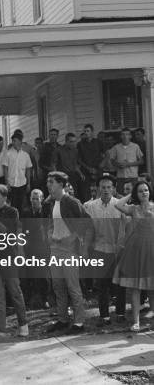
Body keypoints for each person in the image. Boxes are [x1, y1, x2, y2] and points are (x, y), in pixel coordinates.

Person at [46, 172, 93, 334]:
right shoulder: (53, 202)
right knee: (58, 285)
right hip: (55, 249)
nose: (48, 185)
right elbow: (52, 223)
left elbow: (88, 222)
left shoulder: (71, 201)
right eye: (48, 182)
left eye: (51, 182)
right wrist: (51, 235)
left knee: (73, 286)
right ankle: (62, 319)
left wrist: (72, 238)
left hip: (69, 251)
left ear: (61, 184)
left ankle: (79, 322)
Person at [0, 185, 28, 337]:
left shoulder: (12, 211)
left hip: (9, 257)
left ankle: (23, 324)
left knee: (15, 292)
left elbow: (9, 233)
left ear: (4, 197)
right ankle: (1, 327)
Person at [84, 174, 126, 326]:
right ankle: (104, 316)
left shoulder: (121, 205)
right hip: (100, 250)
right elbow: (88, 231)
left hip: (118, 251)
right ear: (98, 189)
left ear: (114, 189)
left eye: (109, 187)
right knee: (102, 286)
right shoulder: (90, 207)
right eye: (103, 187)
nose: (106, 190)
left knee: (120, 285)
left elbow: (126, 229)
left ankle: (121, 313)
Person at [113, 180, 154, 331]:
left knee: (152, 286)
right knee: (135, 287)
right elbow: (118, 205)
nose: (144, 193)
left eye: (146, 190)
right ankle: (136, 321)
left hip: (152, 248)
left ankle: (152, 313)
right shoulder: (133, 208)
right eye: (141, 191)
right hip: (136, 249)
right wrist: (131, 193)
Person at [2, 131, 32, 211]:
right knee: (12, 205)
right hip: (11, 184)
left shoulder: (25, 155)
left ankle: (20, 222)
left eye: (15, 140)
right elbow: (5, 169)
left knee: (21, 205)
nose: (13, 142)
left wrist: (28, 184)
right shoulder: (8, 154)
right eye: (13, 141)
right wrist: (7, 183)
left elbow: (28, 170)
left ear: (20, 141)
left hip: (22, 184)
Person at [110, 127, 143, 195]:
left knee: (134, 195)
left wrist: (128, 164)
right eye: (123, 134)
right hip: (120, 176)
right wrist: (117, 164)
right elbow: (112, 160)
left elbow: (141, 161)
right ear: (120, 136)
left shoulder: (135, 146)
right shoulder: (116, 147)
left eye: (127, 134)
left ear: (130, 136)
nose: (125, 136)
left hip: (133, 177)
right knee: (120, 196)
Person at [53, 133, 85, 200]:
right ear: (66, 141)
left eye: (74, 141)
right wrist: (56, 176)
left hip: (72, 175)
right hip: (62, 175)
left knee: (74, 193)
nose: (73, 143)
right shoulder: (58, 150)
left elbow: (75, 165)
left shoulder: (75, 151)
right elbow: (53, 164)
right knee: (64, 194)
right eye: (71, 142)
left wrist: (81, 174)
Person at [78, 124, 103, 202]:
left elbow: (106, 155)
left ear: (92, 132)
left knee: (100, 188)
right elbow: (78, 159)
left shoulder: (98, 142)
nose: (86, 133)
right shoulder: (80, 144)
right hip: (85, 170)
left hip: (98, 169)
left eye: (88, 131)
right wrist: (88, 168)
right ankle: (88, 207)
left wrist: (102, 164)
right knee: (86, 191)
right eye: (84, 131)